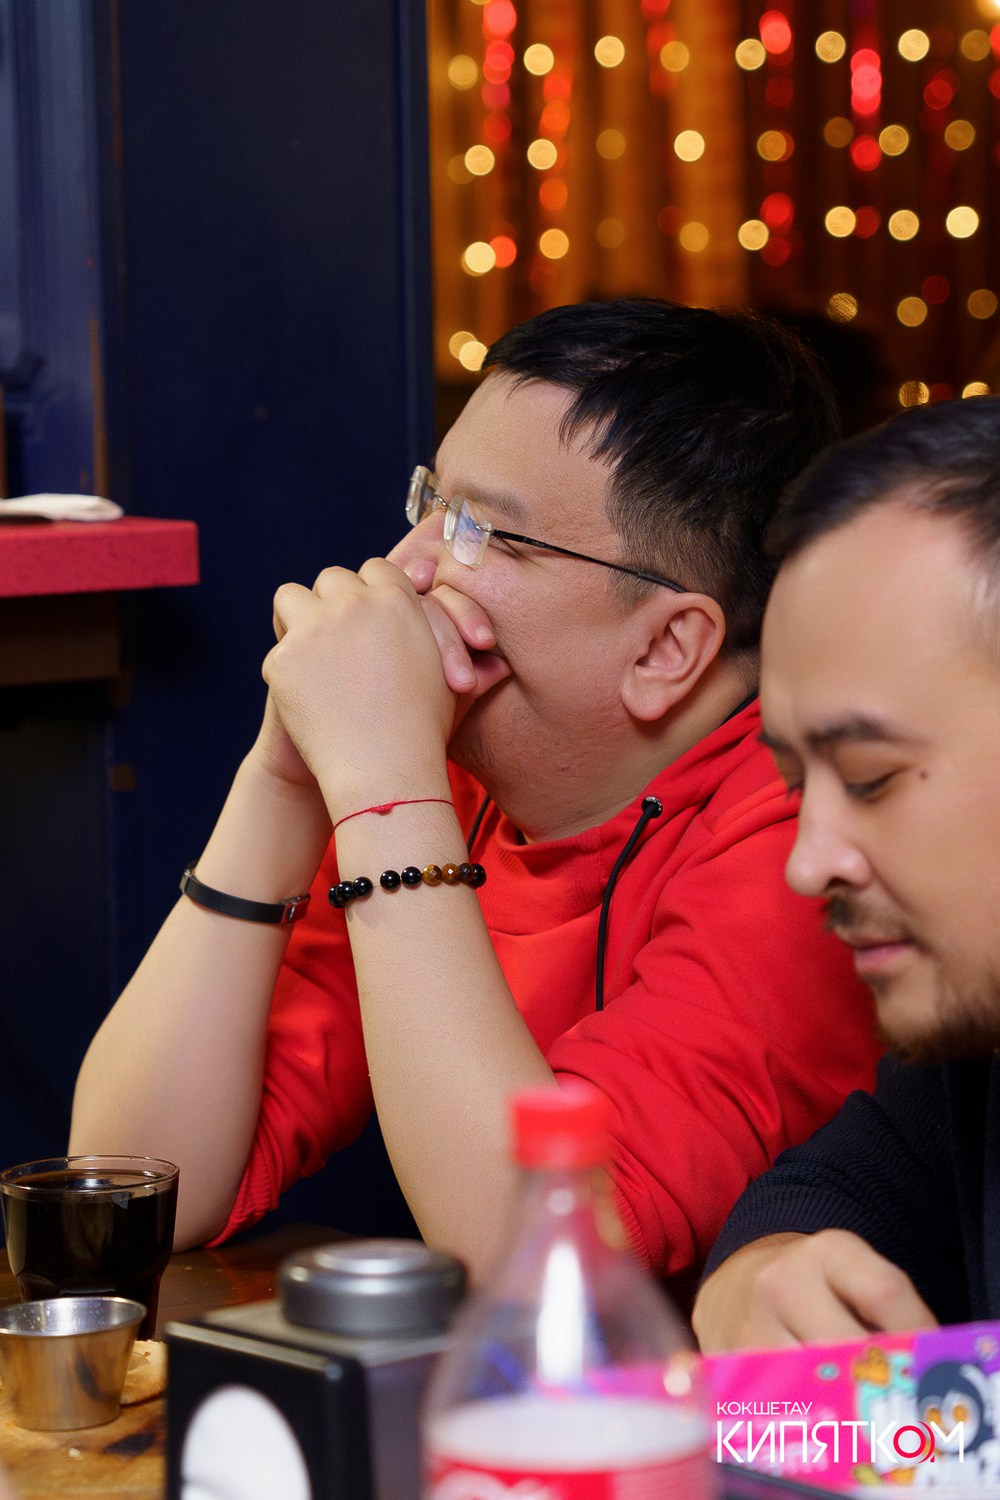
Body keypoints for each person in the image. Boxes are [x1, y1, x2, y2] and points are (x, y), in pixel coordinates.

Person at [69, 299, 878, 1287]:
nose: (402, 570)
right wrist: (282, 777)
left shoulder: (804, 836)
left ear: (666, 648)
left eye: (484, 533)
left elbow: (544, 1268)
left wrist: (383, 789)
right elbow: (131, 1194)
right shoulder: (444, 778)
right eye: (430, 504)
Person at [692, 394, 1000, 1350]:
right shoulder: (972, 1047)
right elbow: (841, 1186)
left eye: (869, 778)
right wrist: (759, 1277)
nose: (806, 862)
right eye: (796, 783)